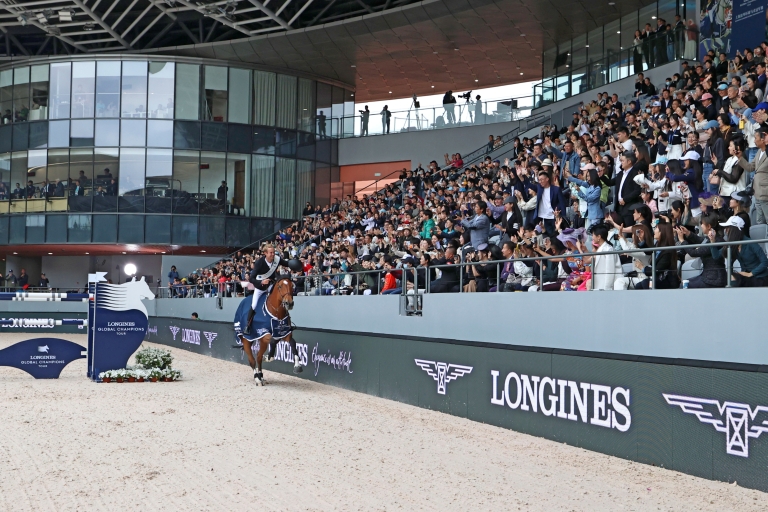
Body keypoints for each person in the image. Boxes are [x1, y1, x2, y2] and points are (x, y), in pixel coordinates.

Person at [244, 244, 291, 334]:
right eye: (271, 253)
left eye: (273, 252)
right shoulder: (259, 263)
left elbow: (286, 264)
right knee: (254, 305)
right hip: (260, 288)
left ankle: (287, 321)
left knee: (281, 298)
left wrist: (294, 264)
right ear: (265, 253)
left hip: (271, 285)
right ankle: (248, 325)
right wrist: (261, 282)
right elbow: (251, 278)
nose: (273, 254)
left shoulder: (276, 259)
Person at [710, 216, 768, 287]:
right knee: (731, 280)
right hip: (745, 276)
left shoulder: (751, 243)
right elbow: (716, 256)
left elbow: (765, 262)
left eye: (728, 228)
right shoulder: (732, 244)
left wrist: (751, 273)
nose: (726, 230)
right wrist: (712, 241)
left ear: (734, 230)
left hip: (759, 277)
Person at [737, 125, 768, 223]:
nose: (754, 141)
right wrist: (740, 157)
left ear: (763, 139)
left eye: (756, 138)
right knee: (759, 220)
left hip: (765, 192)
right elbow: (750, 167)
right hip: (757, 192)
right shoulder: (759, 152)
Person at [584, 223, 621, 291]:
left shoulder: (608, 249)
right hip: (600, 285)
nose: (592, 237)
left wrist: (607, 288)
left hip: (607, 288)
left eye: (593, 235)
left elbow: (610, 270)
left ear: (599, 237)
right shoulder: (601, 249)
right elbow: (586, 260)